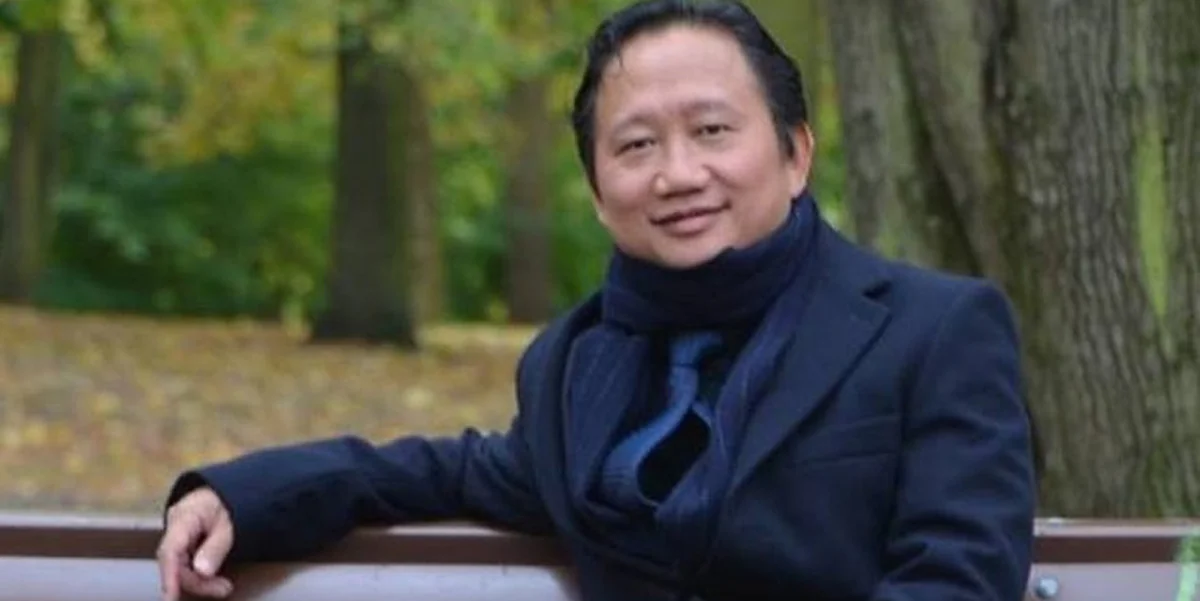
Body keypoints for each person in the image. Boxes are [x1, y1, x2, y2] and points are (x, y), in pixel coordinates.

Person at [156, 1, 1037, 600]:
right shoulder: (576, 363)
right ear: (597, 189)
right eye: (637, 144)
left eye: (712, 130)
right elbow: (445, 472)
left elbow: (956, 581)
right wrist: (240, 497)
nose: (678, 173)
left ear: (796, 152)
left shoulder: (934, 331)